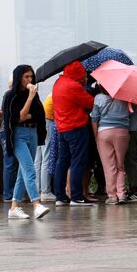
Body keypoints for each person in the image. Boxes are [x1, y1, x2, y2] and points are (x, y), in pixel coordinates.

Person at [2, 65, 50, 219]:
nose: (30, 80)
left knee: (23, 173)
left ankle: (14, 207)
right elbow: (19, 117)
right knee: (29, 169)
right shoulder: (11, 95)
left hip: (33, 132)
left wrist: (29, 113)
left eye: (31, 77)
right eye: (26, 77)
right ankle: (36, 204)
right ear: (19, 78)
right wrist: (29, 99)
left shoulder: (35, 95)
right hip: (18, 135)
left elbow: (39, 114)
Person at [52, 61, 95, 206]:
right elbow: (90, 103)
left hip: (62, 128)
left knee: (62, 162)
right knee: (78, 162)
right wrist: (83, 85)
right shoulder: (74, 86)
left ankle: (60, 197)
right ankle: (76, 197)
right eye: (83, 74)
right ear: (78, 74)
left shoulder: (58, 83)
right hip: (76, 128)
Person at [90, 84, 130, 204]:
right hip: (122, 131)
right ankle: (122, 194)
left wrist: (96, 136)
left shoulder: (98, 98)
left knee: (109, 167)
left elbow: (94, 119)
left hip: (104, 133)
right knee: (120, 166)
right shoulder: (125, 96)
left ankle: (112, 196)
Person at [33, 93, 56, 202]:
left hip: (39, 122)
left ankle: (36, 191)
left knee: (38, 159)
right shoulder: (57, 95)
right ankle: (45, 191)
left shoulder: (50, 96)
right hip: (47, 121)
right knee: (46, 157)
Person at [1, 77, 19, 203]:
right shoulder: (10, 95)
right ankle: (8, 194)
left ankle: (10, 193)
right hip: (6, 132)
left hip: (5, 131)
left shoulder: (7, 94)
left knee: (10, 163)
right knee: (10, 162)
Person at [124, 103, 137, 202]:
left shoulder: (130, 98)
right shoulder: (136, 96)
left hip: (130, 129)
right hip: (134, 129)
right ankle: (133, 188)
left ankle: (135, 190)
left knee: (130, 161)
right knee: (131, 161)